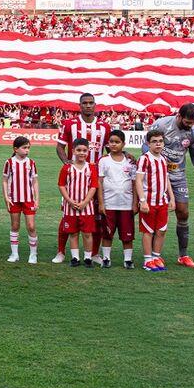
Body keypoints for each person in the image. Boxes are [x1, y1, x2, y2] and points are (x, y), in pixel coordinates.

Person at [146, 103, 194, 269]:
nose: (189, 126)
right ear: (178, 116)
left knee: (183, 213)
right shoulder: (162, 124)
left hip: (178, 176)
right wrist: (151, 165)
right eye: (187, 122)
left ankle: (183, 255)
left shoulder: (193, 133)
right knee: (155, 213)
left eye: (192, 123)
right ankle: (151, 255)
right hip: (158, 174)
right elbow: (146, 146)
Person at [55, 92, 112, 264]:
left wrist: (123, 156)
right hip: (74, 179)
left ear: (95, 105)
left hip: (96, 179)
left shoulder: (104, 127)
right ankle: (61, 252)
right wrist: (68, 164)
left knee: (97, 217)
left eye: (91, 102)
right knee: (67, 215)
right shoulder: (69, 124)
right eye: (85, 103)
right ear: (79, 105)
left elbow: (110, 150)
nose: (88, 105)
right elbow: (60, 147)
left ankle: (93, 254)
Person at [97, 130, 137, 269]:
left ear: (123, 144)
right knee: (107, 234)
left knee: (127, 235)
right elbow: (99, 183)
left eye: (117, 142)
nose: (113, 145)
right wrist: (101, 203)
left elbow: (134, 183)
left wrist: (135, 203)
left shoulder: (131, 161)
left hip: (126, 204)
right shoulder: (103, 160)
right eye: (111, 142)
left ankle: (128, 260)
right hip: (109, 204)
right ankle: (106, 259)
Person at [135, 129, 173, 272]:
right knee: (148, 231)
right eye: (154, 142)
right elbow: (138, 181)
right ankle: (147, 259)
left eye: (160, 141)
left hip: (162, 201)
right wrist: (142, 200)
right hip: (149, 201)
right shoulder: (144, 159)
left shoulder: (163, 159)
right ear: (148, 144)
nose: (158, 144)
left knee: (161, 230)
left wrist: (172, 197)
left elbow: (166, 179)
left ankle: (156, 256)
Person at [57, 139, 99, 268]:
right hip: (70, 207)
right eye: (79, 150)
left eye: (84, 150)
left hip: (87, 207)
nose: (82, 153)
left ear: (88, 151)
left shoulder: (91, 167)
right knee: (73, 233)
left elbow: (93, 186)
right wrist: (69, 200)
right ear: (73, 151)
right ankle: (75, 257)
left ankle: (87, 257)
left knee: (87, 233)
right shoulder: (67, 168)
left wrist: (85, 202)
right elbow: (61, 185)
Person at [2, 136, 39, 264]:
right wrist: (6, 197)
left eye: (28, 148)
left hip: (28, 199)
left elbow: (34, 181)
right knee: (15, 225)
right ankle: (14, 254)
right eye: (24, 148)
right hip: (14, 199)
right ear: (16, 149)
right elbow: (5, 180)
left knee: (31, 226)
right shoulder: (9, 162)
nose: (27, 150)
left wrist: (37, 199)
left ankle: (33, 255)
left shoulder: (31, 163)